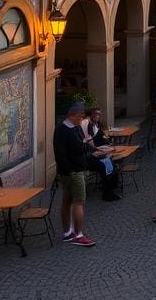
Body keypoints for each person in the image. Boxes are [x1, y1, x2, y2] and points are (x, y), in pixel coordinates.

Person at [53, 102, 97, 247]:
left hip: (71, 171)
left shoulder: (75, 127)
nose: (82, 119)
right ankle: (78, 235)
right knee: (79, 202)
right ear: (72, 115)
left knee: (67, 200)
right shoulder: (62, 130)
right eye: (80, 116)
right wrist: (70, 171)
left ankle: (67, 233)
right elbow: (60, 154)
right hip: (72, 172)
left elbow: (81, 144)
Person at [81, 107, 120, 201]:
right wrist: (100, 150)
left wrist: (106, 144)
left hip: (92, 151)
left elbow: (101, 136)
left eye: (99, 114)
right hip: (86, 155)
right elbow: (89, 143)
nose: (98, 116)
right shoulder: (86, 123)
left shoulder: (96, 124)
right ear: (91, 114)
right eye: (96, 114)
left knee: (110, 163)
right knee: (106, 164)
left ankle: (110, 187)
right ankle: (107, 192)